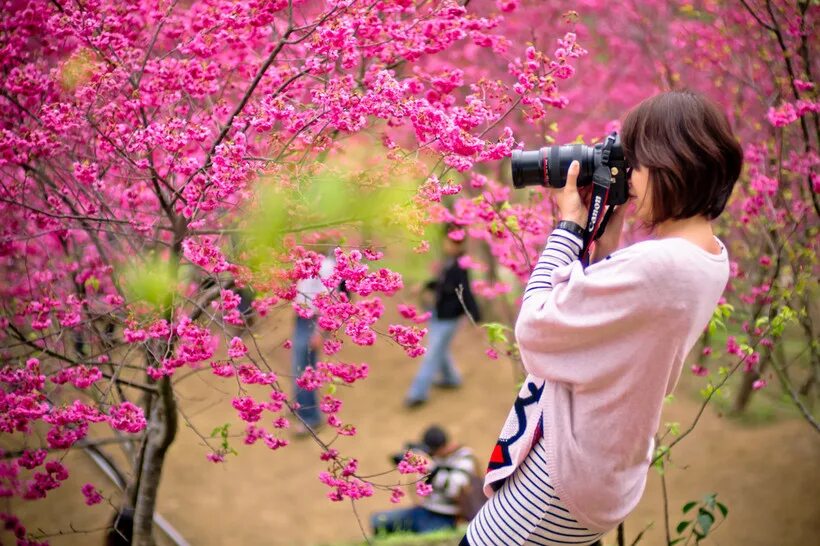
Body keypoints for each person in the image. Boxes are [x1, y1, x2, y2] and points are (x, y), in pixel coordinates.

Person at [461, 90, 743, 545]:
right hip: (603, 472)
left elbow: (535, 330)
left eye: (638, 164)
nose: (629, 178)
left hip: (556, 484)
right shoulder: (710, 256)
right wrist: (605, 246)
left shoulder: (662, 266)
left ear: (674, 164)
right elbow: (613, 325)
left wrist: (569, 228)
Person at [405, 225, 481, 408]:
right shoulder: (449, 261)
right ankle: (451, 378)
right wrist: (424, 286)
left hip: (449, 317)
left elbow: (466, 292)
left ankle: (417, 393)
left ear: (457, 244)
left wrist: (475, 317)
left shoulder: (461, 265)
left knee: (432, 353)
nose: (445, 244)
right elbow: (442, 283)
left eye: (448, 241)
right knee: (440, 349)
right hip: (439, 313)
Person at [372, 425, 479, 536]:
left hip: (445, 516)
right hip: (424, 510)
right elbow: (422, 486)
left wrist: (432, 468)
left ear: (443, 446)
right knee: (377, 521)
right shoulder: (433, 456)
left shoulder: (463, 457)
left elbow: (456, 488)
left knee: (426, 540)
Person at [291, 250, 336, 436]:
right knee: (299, 366)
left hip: (313, 320)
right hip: (302, 318)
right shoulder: (305, 259)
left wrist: (320, 331)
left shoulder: (327, 265)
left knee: (304, 368)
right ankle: (301, 406)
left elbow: (330, 298)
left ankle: (310, 417)